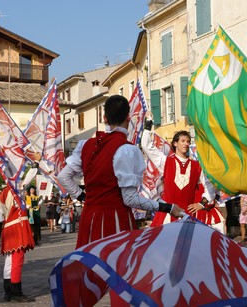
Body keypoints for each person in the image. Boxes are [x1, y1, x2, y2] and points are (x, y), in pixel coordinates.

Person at [58, 95, 184, 249]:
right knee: (116, 265)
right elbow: (130, 199)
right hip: (115, 219)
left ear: (105, 118)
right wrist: (167, 208)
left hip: (89, 218)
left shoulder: (86, 145)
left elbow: (63, 177)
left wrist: (83, 196)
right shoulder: (126, 149)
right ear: (128, 118)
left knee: (91, 265)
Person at [141, 117, 219, 228]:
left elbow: (209, 185)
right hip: (167, 215)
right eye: (183, 141)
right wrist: (148, 125)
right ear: (175, 143)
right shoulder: (165, 162)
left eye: (188, 141)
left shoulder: (196, 166)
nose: (186, 144)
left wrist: (201, 203)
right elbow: (146, 146)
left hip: (188, 215)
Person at [0, 159, 40, 302]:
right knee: (17, 260)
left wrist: (34, 168)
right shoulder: (13, 191)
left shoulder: (7, 192)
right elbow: (25, 181)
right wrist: (34, 168)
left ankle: (8, 292)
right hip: (16, 229)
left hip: (9, 229)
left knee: (9, 262)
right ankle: (15, 292)